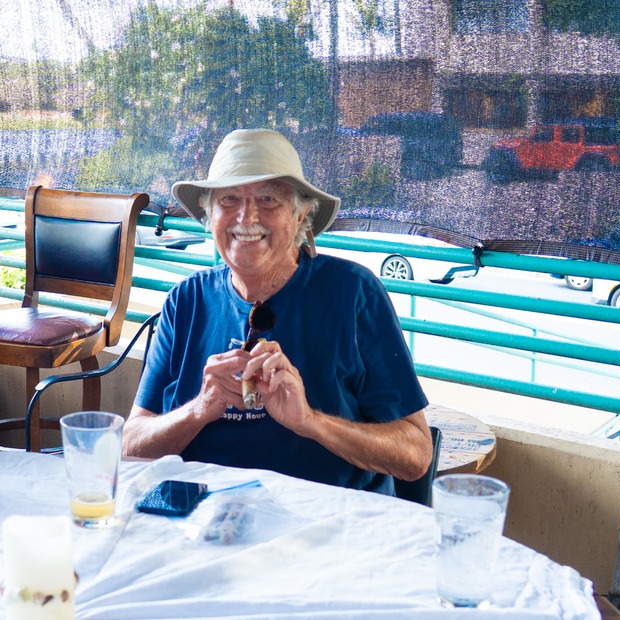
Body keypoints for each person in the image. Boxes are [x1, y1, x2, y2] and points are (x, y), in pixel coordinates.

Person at [123, 129, 432, 493]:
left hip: (324, 525)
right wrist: (200, 408)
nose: (246, 217)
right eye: (229, 199)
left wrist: (310, 421)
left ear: (301, 216)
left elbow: (415, 457)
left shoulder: (352, 293)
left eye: (268, 199)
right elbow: (131, 447)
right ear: (209, 215)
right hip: (202, 521)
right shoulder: (186, 300)